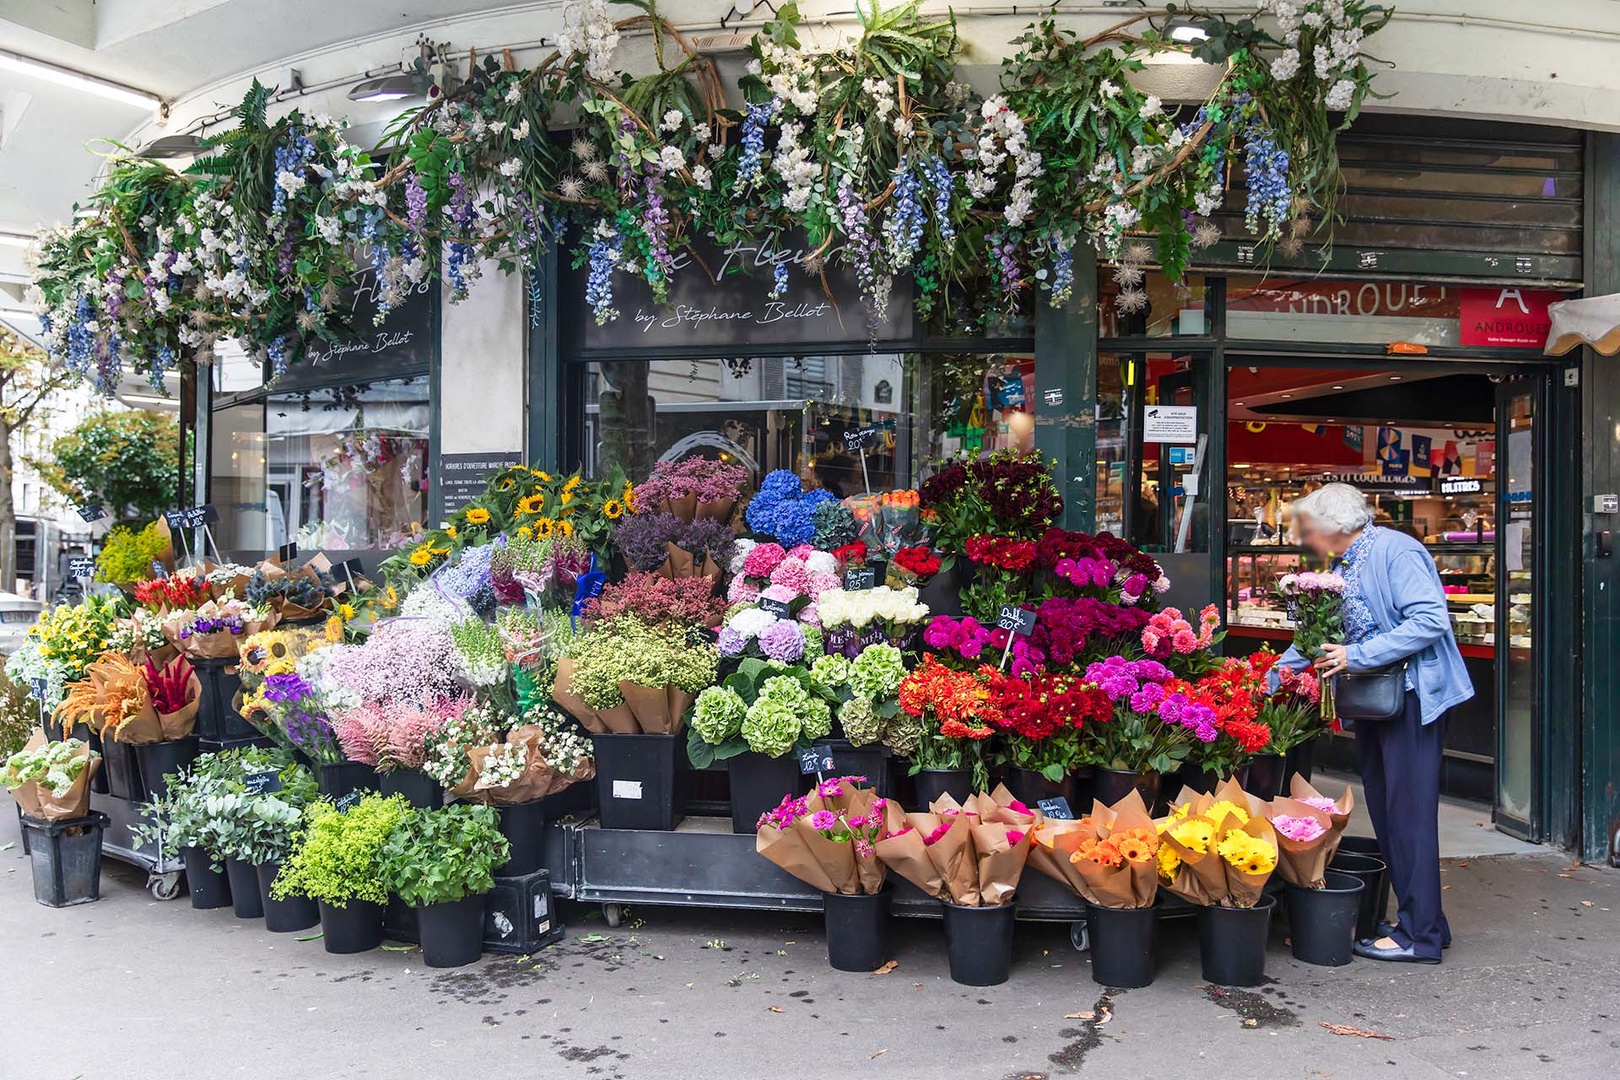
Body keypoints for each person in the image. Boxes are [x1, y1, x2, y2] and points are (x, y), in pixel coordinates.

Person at [1276, 482, 1474, 964]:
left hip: (1410, 700)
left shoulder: (1395, 551)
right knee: (1389, 813)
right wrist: (1268, 677)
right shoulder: (1344, 564)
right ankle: (1425, 922)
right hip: (1375, 703)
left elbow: (1430, 619)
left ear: (1333, 525)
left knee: (1408, 815)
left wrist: (1358, 654)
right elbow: (1320, 637)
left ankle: (1419, 938)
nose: (1305, 536)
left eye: (1308, 526)